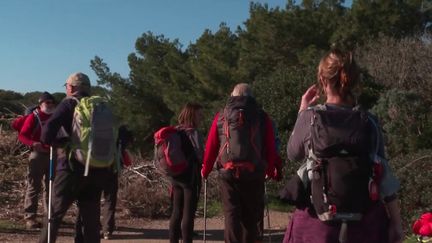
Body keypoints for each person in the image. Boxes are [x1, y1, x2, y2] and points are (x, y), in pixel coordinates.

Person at [282, 49, 403, 243]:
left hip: (317, 223)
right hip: (365, 224)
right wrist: (396, 223)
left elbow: (292, 154)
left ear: (322, 79)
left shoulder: (310, 117)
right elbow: (383, 173)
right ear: (354, 80)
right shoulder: (369, 121)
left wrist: (302, 112)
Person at [201, 83, 282, 243]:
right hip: (254, 172)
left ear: (232, 96)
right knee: (251, 217)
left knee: (231, 214)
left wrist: (205, 169)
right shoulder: (262, 117)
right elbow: (270, 147)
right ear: (251, 97)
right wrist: (271, 169)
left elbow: (211, 146)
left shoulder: (221, 116)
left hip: (228, 173)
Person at [39, 72, 112, 243]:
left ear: (71, 87)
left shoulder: (69, 104)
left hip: (71, 168)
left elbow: (46, 133)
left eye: (66, 87)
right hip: (98, 168)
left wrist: (58, 141)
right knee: (91, 220)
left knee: (54, 215)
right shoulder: (101, 106)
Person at [18, 92, 56, 229]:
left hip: (53, 154)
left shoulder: (56, 117)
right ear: (41, 104)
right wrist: (33, 144)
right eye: (47, 102)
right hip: (37, 154)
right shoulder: (34, 117)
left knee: (51, 186)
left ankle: (49, 216)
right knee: (34, 186)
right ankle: (30, 217)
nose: (50, 105)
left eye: (52, 103)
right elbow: (22, 136)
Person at [169, 103, 204, 243]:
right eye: (199, 114)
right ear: (193, 115)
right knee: (188, 213)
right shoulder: (193, 132)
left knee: (176, 211)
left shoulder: (175, 131)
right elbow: (199, 155)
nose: (201, 117)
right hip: (190, 176)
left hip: (176, 176)